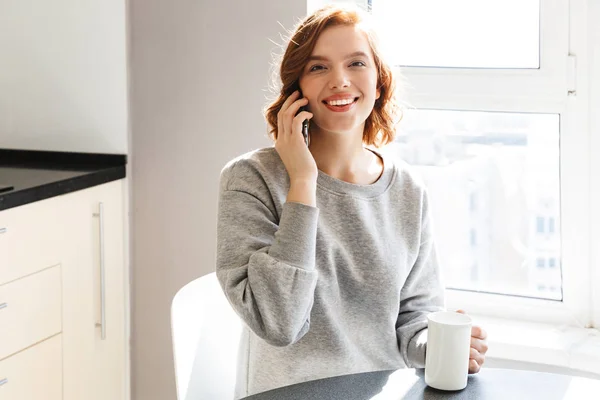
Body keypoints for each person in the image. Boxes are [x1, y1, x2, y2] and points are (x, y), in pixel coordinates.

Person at [216, 4, 488, 398]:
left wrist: (444, 349)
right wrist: (303, 182)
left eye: (357, 63)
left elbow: (414, 319)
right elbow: (280, 323)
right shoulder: (251, 179)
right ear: (297, 89)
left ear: (379, 82)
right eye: (318, 67)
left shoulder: (409, 189)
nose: (340, 81)